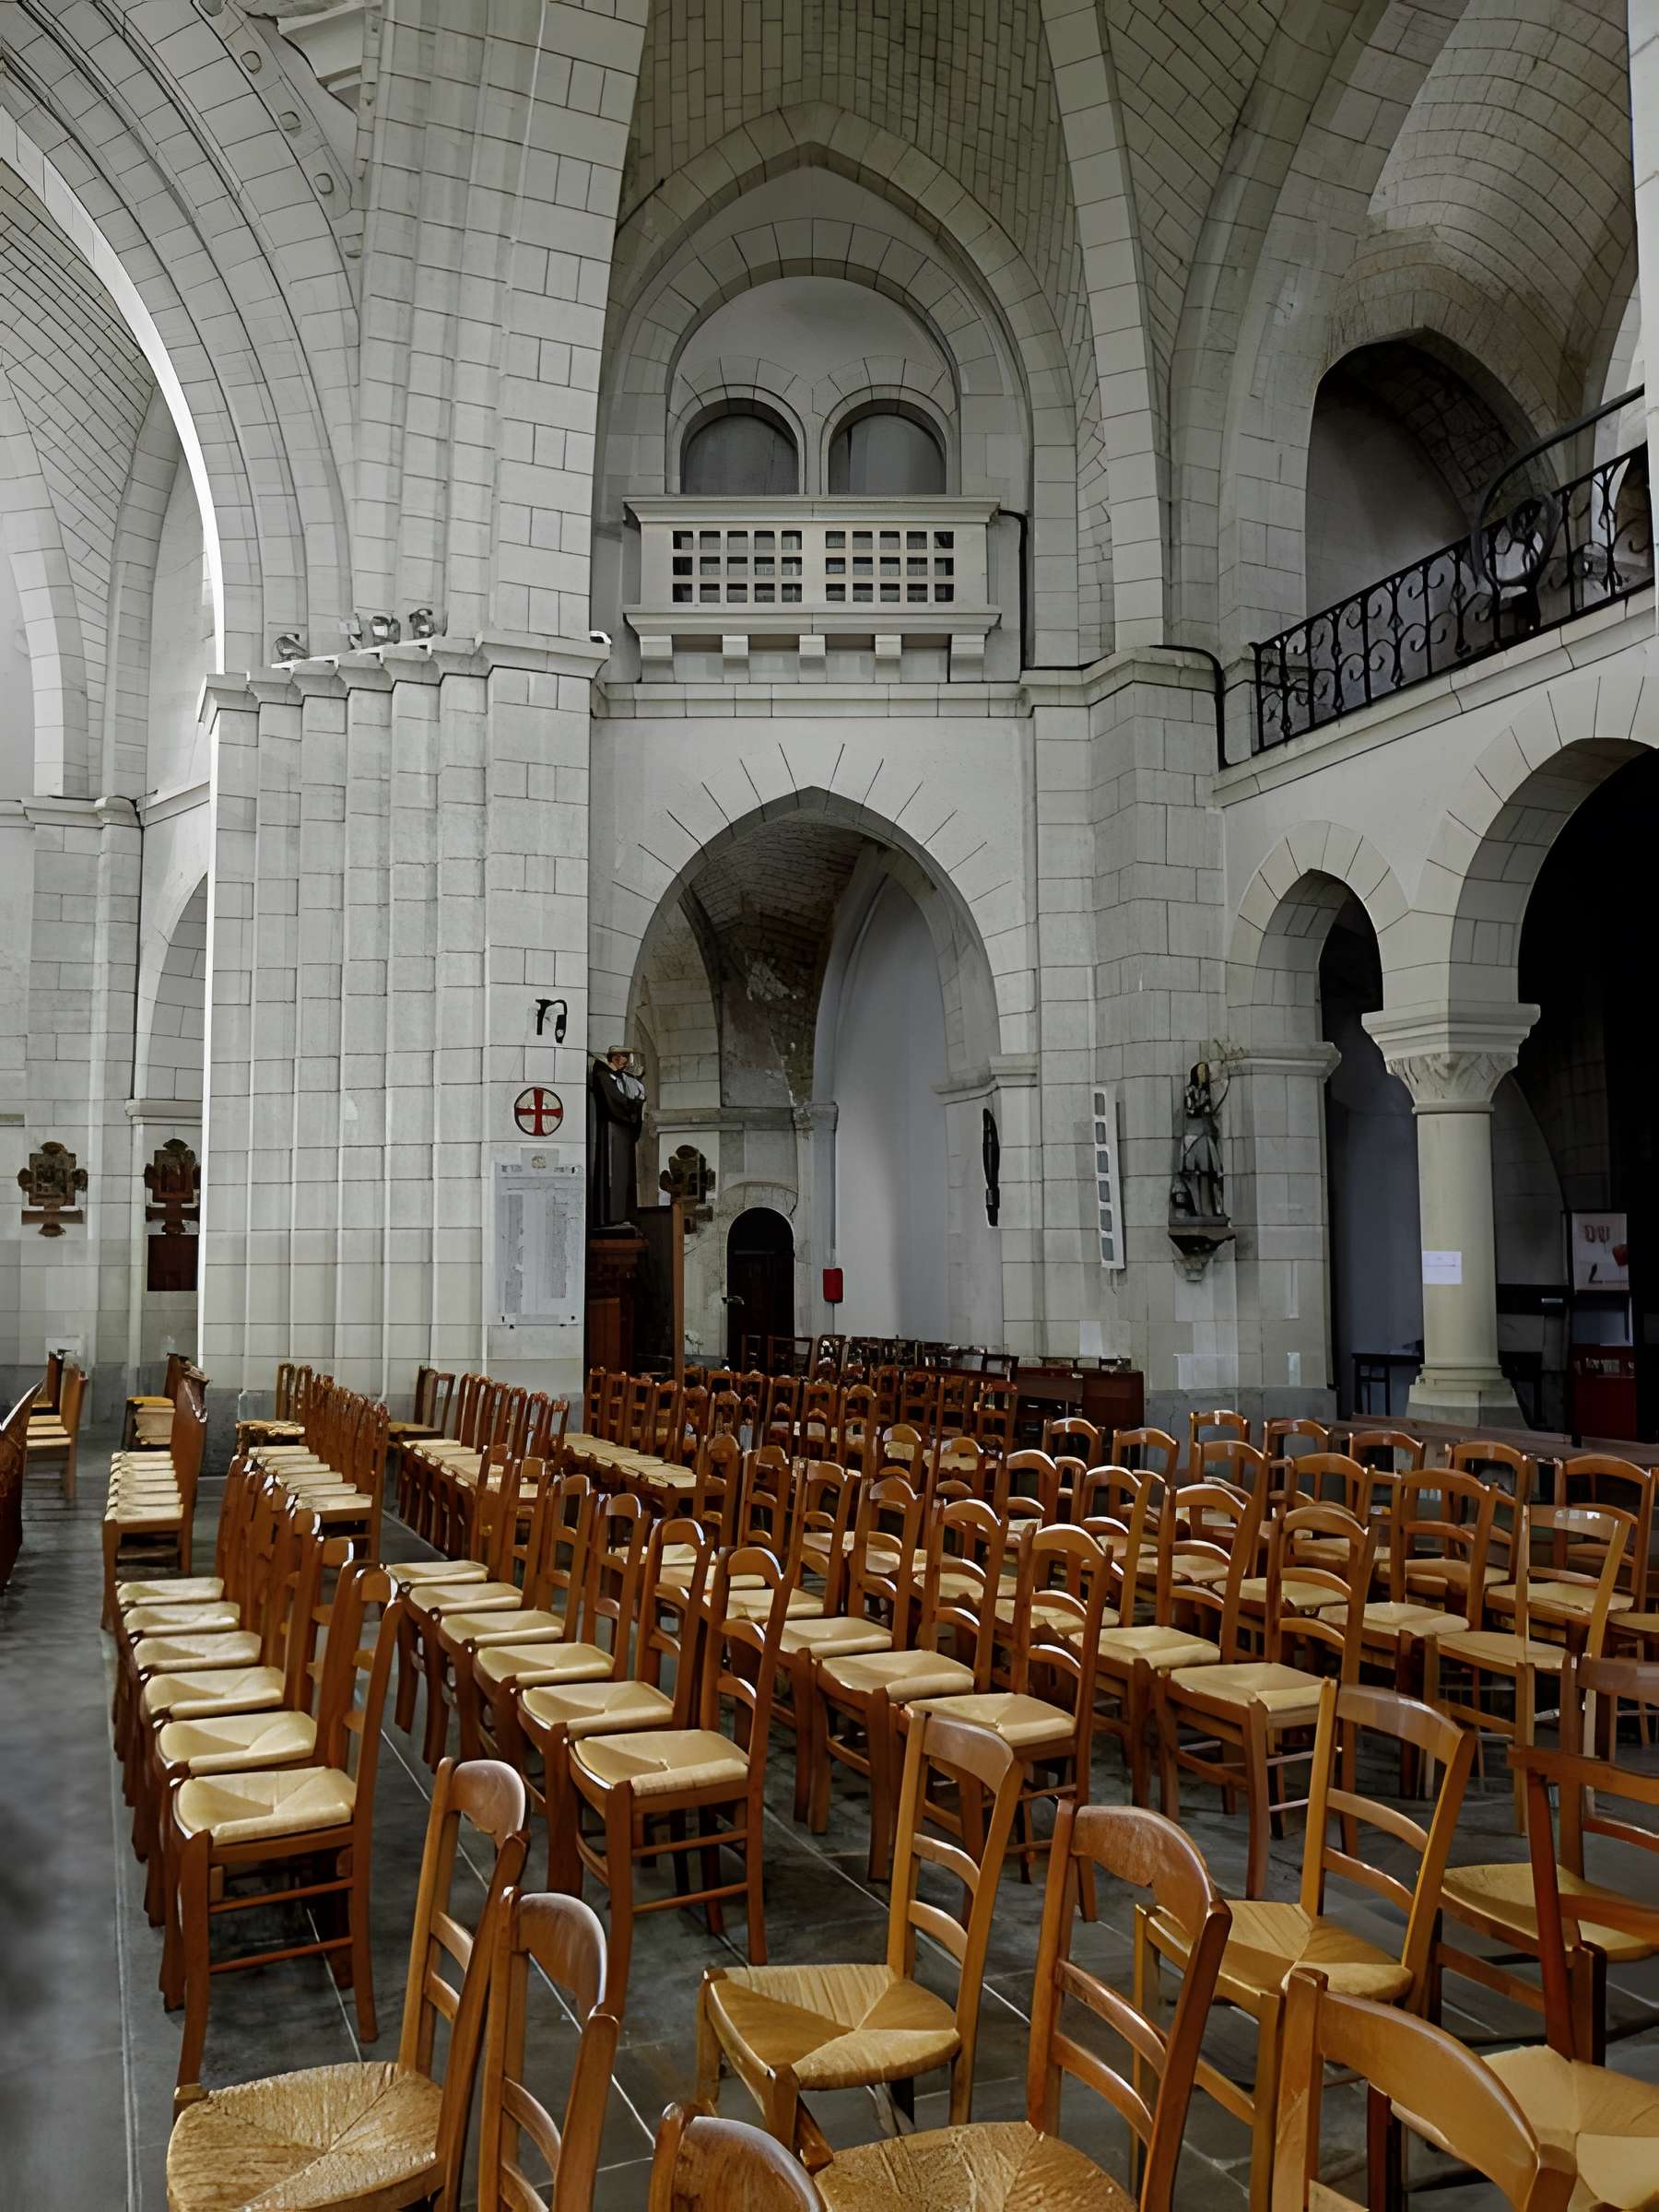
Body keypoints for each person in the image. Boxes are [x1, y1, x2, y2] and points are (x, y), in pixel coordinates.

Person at [589, 1046, 645, 1227]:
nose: (627, 1061)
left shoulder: (623, 1077)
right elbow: (613, 1100)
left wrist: (635, 1105)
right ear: (615, 1057)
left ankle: (625, 1214)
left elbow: (632, 1096)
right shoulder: (604, 1075)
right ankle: (613, 1216)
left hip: (624, 1130)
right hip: (612, 1129)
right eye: (624, 1057)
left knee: (625, 1173)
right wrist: (631, 1106)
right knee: (613, 1172)